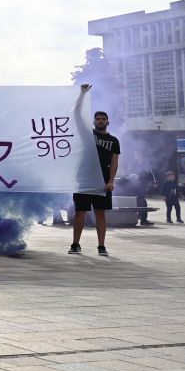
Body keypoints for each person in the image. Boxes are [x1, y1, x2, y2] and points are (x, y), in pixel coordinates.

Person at [70, 92, 119, 256]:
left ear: (107, 122)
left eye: (103, 119)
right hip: (83, 180)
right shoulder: (88, 135)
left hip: (102, 183)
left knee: (100, 213)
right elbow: (76, 114)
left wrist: (111, 180)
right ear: (94, 121)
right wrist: (82, 94)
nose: (100, 121)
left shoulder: (114, 141)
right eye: (97, 118)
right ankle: (75, 244)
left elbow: (114, 162)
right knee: (79, 213)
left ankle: (101, 246)